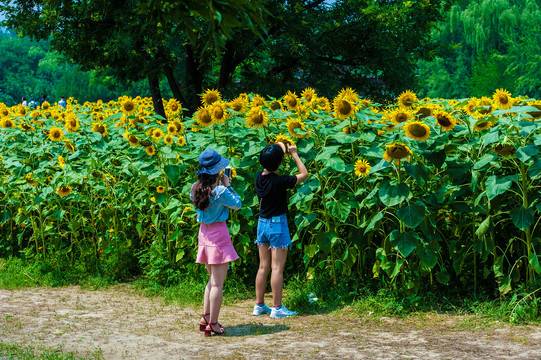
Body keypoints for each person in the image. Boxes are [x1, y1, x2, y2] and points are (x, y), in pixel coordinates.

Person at [253, 143, 309, 318]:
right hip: (277, 224)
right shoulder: (280, 181)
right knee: (277, 268)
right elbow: (304, 174)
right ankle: (277, 308)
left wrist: (277, 149)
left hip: (262, 224)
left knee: (263, 266)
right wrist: (294, 154)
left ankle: (259, 305)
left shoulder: (258, 177)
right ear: (279, 163)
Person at [190, 148, 242, 336]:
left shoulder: (194, 189)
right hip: (219, 234)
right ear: (217, 171)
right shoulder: (219, 191)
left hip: (204, 234)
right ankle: (213, 323)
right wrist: (228, 185)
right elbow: (237, 204)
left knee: (211, 281)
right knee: (218, 284)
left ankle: (206, 317)